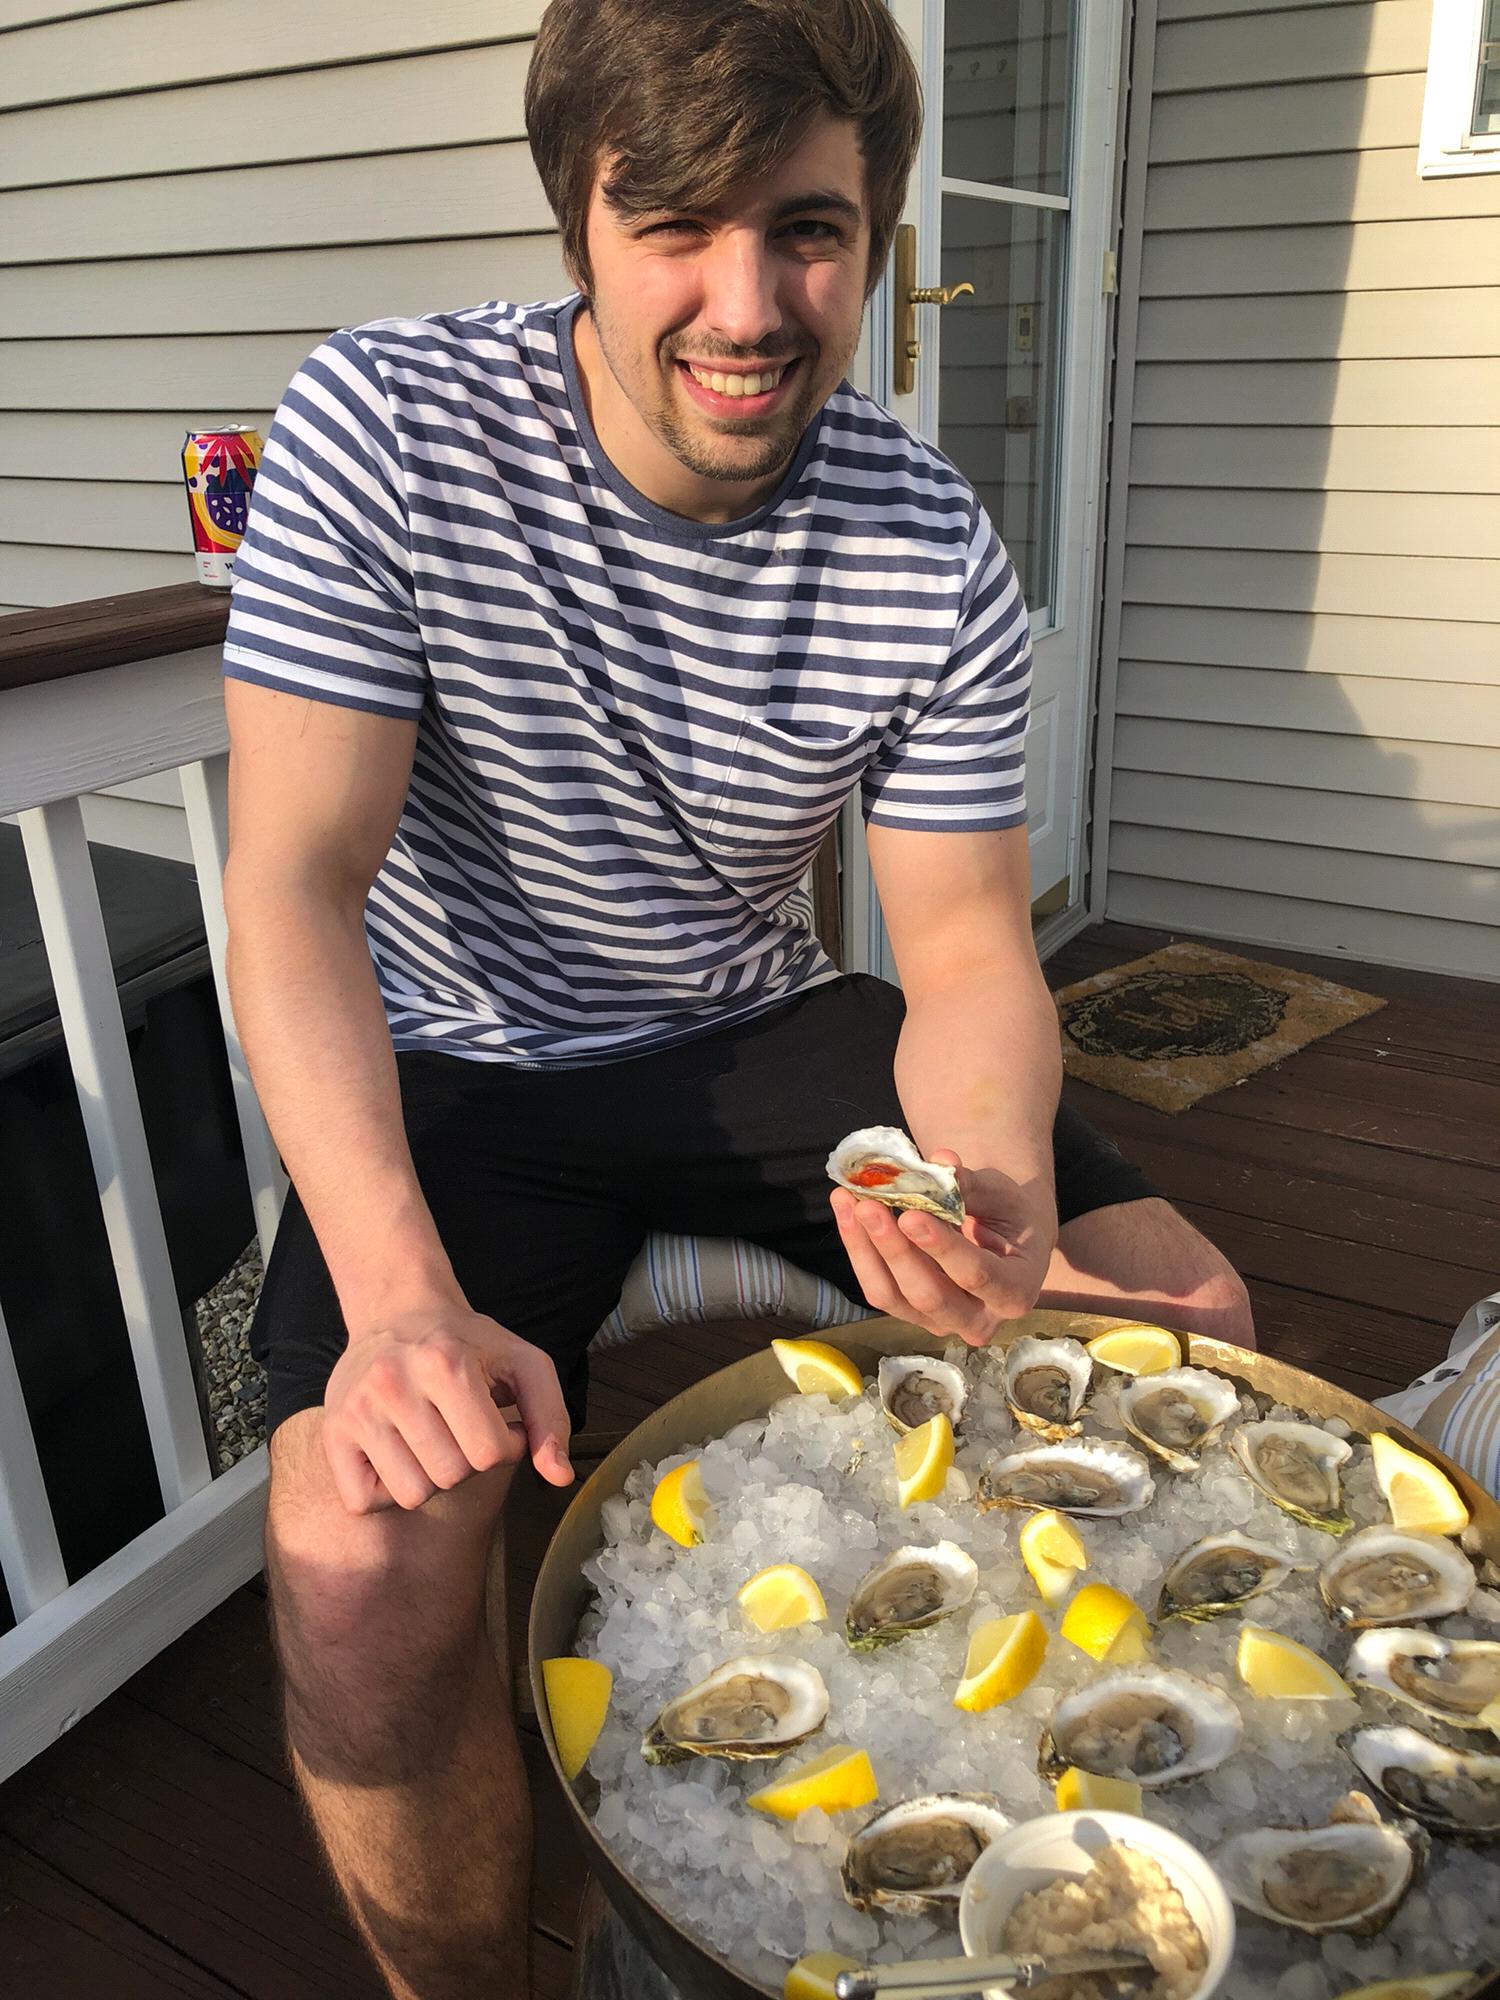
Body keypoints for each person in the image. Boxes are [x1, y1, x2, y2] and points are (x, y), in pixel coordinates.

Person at [220, 2, 1255, 1994]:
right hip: (455, 1053)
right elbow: (292, 884)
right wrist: (400, 1301)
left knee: (1176, 1312)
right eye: (675, 223)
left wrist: (978, 1168)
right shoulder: (385, 424)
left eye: (807, 229)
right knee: (362, 1558)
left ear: (872, 236)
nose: (749, 299)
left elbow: (957, 947)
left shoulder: (928, 539)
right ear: (577, 221)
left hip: (757, 1025)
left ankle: (1035, 1851)